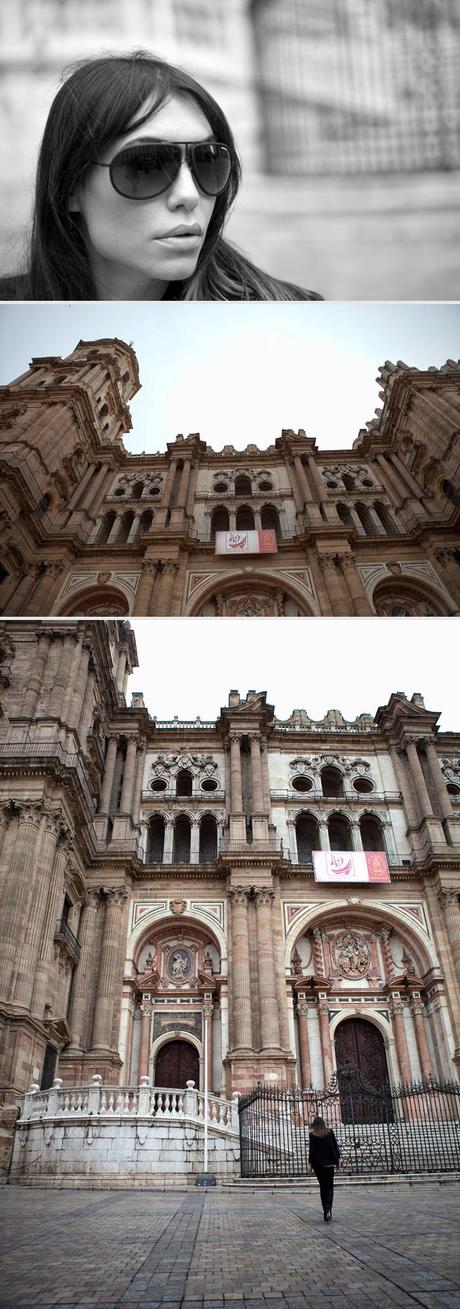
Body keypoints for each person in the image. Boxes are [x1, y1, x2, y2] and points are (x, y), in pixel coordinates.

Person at [0, 51, 322, 302]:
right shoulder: (11, 322)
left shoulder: (288, 320)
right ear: (71, 185)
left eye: (208, 161)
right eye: (147, 165)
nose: (189, 194)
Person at [308, 1115, 340, 1222]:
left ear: (314, 1125)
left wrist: (310, 1164)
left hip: (318, 1165)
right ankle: (329, 1207)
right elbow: (334, 1147)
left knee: (323, 1186)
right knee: (330, 1186)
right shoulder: (329, 1132)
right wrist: (337, 1161)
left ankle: (325, 1209)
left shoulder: (313, 1135)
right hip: (329, 1163)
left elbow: (312, 1151)